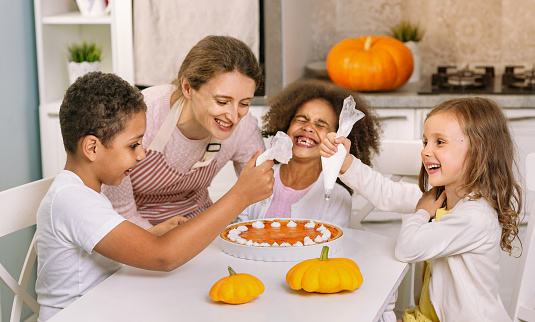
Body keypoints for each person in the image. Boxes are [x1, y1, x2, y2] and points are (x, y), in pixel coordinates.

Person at [35, 72, 274, 321]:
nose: (141, 155)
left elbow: (94, 259)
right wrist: (239, 196)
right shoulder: (73, 200)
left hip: (105, 305)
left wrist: (153, 234)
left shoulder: (84, 194)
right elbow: (163, 257)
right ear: (92, 148)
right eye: (133, 145)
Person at [321, 97, 522, 322]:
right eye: (425, 142)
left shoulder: (475, 216)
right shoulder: (438, 198)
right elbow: (385, 192)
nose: (425, 151)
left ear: (479, 151)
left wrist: (421, 213)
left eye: (440, 142)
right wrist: (345, 161)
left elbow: (407, 248)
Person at [101, 35, 265, 229]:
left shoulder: (244, 128)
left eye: (245, 103)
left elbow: (261, 198)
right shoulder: (142, 116)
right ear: (187, 88)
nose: (234, 116)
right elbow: (121, 212)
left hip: (198, 225)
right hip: (136, 232)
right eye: (222, 101)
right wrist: (161, 240)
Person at [238, 79, 382, 228]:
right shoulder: (257, 177)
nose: (308, 127)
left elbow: (330, 247)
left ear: (337, 139)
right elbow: (237, 231)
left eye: (320, 125)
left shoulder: (337, 197)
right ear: (286, 125)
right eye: (301, 119)